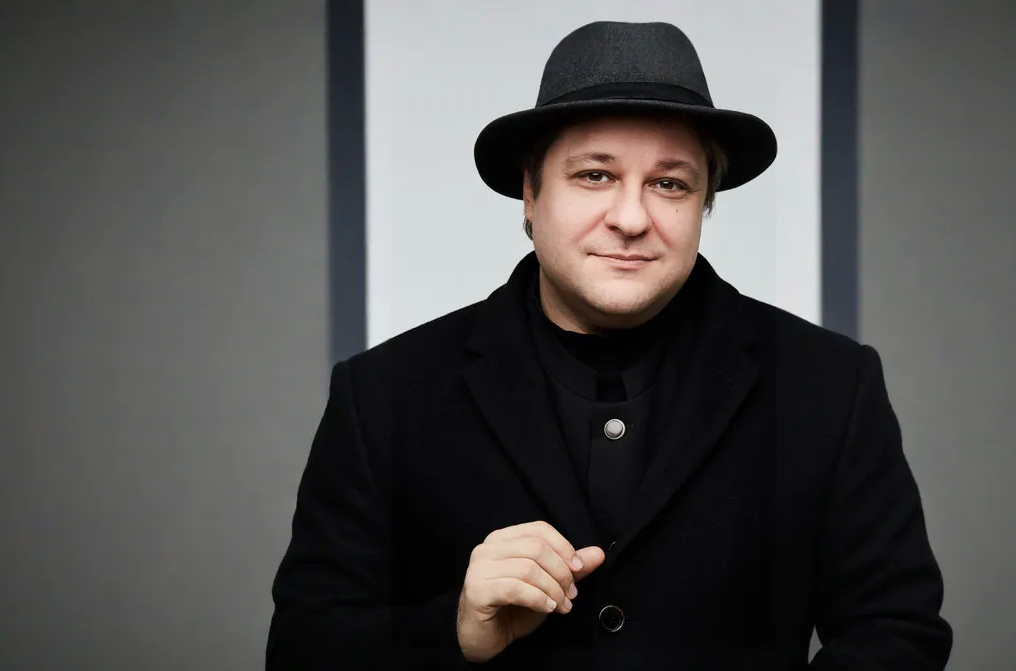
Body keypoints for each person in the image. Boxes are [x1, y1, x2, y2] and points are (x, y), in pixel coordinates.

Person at [266, 20, 952, 670]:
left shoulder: (829, 384)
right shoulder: (384, 393)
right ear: (530, 193)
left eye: (669, 183)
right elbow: (304, 649)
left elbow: (897, 632)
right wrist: (456, 631)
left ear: (704, 203)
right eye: (595, 174)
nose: (630, 218)